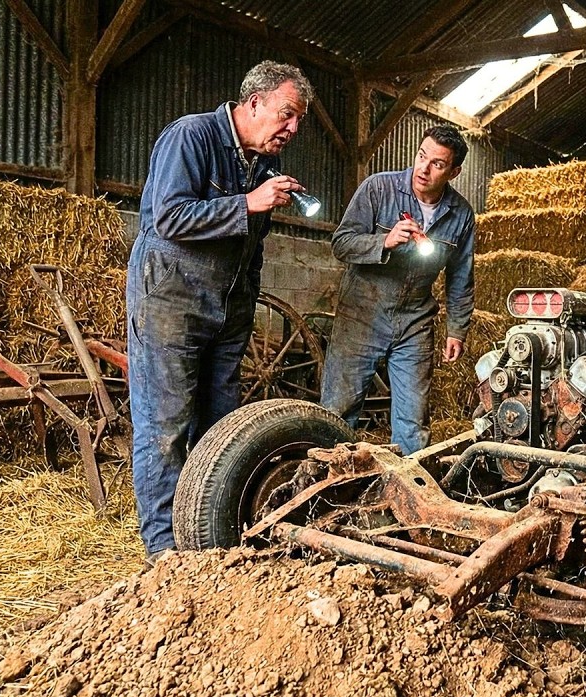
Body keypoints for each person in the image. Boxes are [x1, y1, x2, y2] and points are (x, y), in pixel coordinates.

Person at [126, 61, 314, 560]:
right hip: (171, 302)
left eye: (298, 121)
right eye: (287, 114)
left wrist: (244, 305)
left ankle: (208, 536)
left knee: (217, 425)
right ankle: (166, 554)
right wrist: (247, 203)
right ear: (254, 103)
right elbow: (166, 216)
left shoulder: (259, 165)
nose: (293, 129)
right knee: (165, 427)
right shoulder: (191, 136)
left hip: (228, 311)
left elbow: (249, 249)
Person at [321, 126, 475, 455]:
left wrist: (457, 329)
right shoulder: (378, 188)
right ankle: (329, 491)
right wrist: (384, 241)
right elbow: (341, 243)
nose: (423, 168)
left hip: (415, 321)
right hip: (361, 315)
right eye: (421, 156)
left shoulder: (461, 214)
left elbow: (461, 275)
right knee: (338, 412)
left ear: (454, 171)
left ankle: (407, 496)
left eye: (437, 164)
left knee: (413, 421)